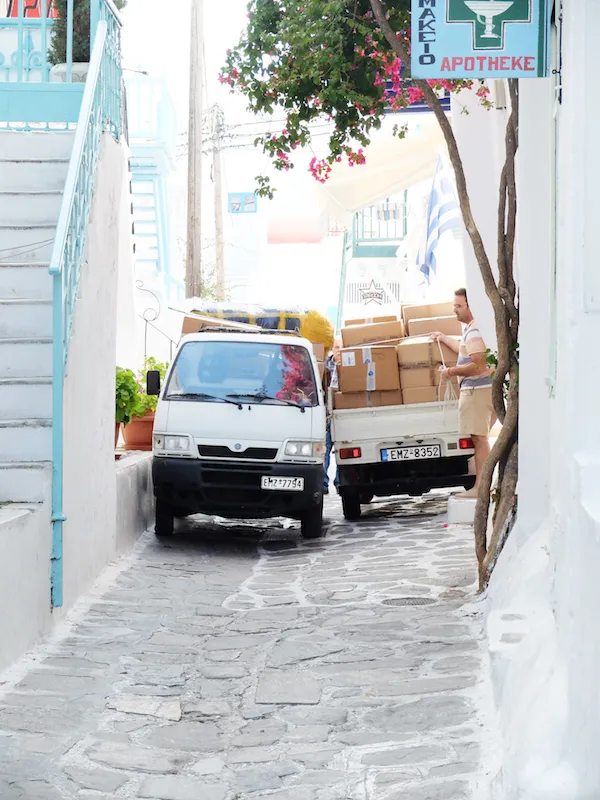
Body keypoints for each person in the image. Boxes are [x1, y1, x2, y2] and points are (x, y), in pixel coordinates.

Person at [430, 288, 495, 499]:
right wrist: (444, 337)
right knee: (480, 438)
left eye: (458, 306)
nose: (454, 310)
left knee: (479, 439)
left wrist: (450, 372)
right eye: (454, 306)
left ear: (471, 306)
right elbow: (464, 349)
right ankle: (482, 485)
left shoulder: (475, 330)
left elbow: (479, 365)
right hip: (478, 390)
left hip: (476, 390)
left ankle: (480, 487)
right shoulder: (473, 329)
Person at [322, 337, 342, 494]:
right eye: (337, 347)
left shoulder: (350, 364)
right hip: (327, 415)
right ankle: (322, 484)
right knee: (325, 449)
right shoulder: (324, 366)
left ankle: (340, 482)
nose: (339, 351)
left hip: (342, 414)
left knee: (343, 451)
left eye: (342, 347)